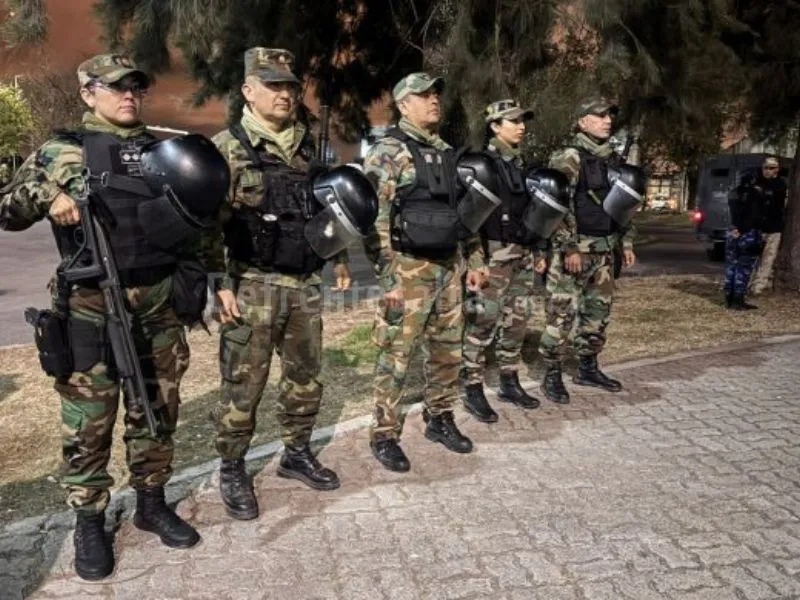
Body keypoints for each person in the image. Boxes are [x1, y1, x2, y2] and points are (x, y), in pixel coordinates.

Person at [0, 54, 205, 581]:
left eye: (135, 86)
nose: (128, 94)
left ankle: (152, 502)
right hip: (91, 306)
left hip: (159, 303)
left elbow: (197, 219)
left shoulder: (163, 151)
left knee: (157, 406)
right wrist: (47, 193)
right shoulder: (61, 151)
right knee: (89, 421)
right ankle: (89, 520)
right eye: (115, 87)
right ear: (88, 94)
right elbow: (7, 209)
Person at [206, 48, 353, 520]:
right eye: (273, 85)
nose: (285, 94)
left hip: (305, 284)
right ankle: (232, 467)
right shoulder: (226, 148)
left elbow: (328, 209)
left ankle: (296, 452)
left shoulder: (311, 150)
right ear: (248, 91)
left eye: (290, 85)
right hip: (251, 285)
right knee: (243, 385)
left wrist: (339, 257)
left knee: (305, 379)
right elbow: (206, 226)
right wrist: (217, 284)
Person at [363, 72, 486, 472]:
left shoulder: (448, 153)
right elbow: (374, 220)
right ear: (403, 105)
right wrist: (388, 279)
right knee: (396, 355)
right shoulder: (388, 152)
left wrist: (475, 259)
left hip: (449, 268)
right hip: (407, 270)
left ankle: (440, 417)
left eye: (436, 94)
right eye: (423, 95)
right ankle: (384, 434)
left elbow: (464, 213)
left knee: (448, 351)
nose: (434, 100)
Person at [538, 96, 637, 404]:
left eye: (610, 116)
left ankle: (588, 368)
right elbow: (557, 204)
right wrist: (569, 248)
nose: (608, 121)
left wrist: (627, 241)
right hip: (575, 252)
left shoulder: (613, 159)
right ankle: (552, 373)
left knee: (598, 313)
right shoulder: (569, 157)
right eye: (600, 115)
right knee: (561, 314)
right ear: (583, 122)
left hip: (605, 250)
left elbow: (625, 204)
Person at [461, 99, 548, 423]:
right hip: (492, 254)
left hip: (521, 253)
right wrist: (476, 260)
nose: (522, 127)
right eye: (514, 121)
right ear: (495, 126)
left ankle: (509, 381)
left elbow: (534, 212)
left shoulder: (521, 164)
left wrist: (538, 250)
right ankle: (472, 386)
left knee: (517, 320)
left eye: (523, 121)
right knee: (482, 321)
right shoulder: (481, 164)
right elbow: (469, 219)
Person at [725, 170, 765, 310]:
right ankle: (738, 299)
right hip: (747, 233)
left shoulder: (733, 193)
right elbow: (754, 216)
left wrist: (736, 229)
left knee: (731, 265)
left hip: (732, 231)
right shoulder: (755, 194)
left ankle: (729, 297)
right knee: (744, 267)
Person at [748, 156, 787, 295]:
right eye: (766, 168)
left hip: (773, 228)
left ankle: (758, 286)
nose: (768, 171)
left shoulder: (780, 184)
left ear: (777, 169)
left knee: (768, 258)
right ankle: (746, 283)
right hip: (756, 227)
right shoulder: (756, 183)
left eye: (771, 168)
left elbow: (776, 200)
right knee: (751, 257)